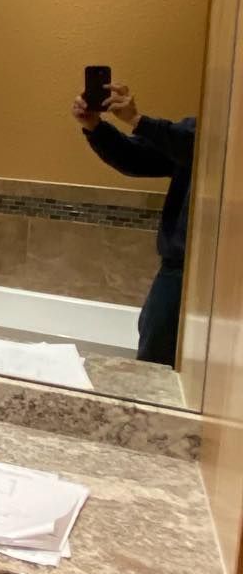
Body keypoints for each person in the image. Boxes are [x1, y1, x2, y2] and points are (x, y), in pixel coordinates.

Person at [72, 82, 195, 365]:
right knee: (156, 359)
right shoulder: (201, 129)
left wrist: (139, 121)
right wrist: (95, 127)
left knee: (159, 365)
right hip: (177, 271)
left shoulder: (216, 137)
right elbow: (136, 158)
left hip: (195, 270)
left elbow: (203, 147)